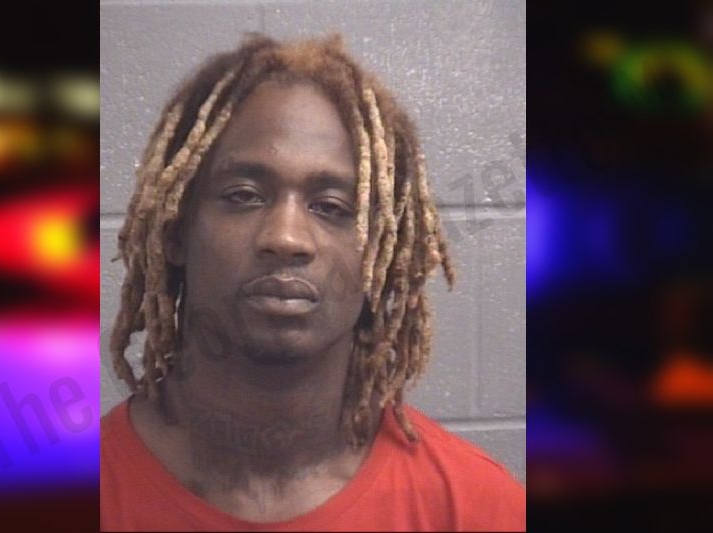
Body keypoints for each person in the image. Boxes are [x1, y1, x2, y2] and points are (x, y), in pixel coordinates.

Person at [101, 33, 525, 531]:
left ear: (383, 254)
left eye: (331, 207)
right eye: (243, 195)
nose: (286, 237)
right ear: (175, 232)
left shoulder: (478, 509)